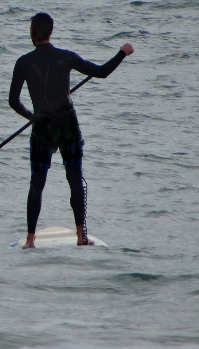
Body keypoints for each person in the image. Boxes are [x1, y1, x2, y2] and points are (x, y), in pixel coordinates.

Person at [9, 13, 133, 249]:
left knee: (37, 183)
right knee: (75, 179)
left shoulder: (23, 62)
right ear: (51, 32)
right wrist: (122, 52)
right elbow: (102, 72)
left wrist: (32, 117)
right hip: (68, 125)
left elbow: (13, 101)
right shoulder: (66, 57)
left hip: (42, 127)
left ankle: (30, 241)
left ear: (32, 33)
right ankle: (80, 238)